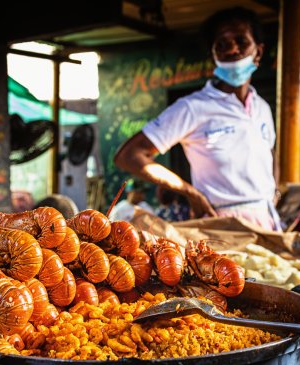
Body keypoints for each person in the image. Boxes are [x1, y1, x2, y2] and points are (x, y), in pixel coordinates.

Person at [114, 7, 281, 231]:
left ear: (258, 52)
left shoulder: (262, 107)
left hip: (268, 220)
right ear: (213, 56)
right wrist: (190, 192)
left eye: (241, 41)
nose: (232, 49)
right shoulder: (193, 107)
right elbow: (129, 156)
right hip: (220, 225)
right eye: (221, 44)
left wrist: (274, 191)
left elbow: (269, 152)